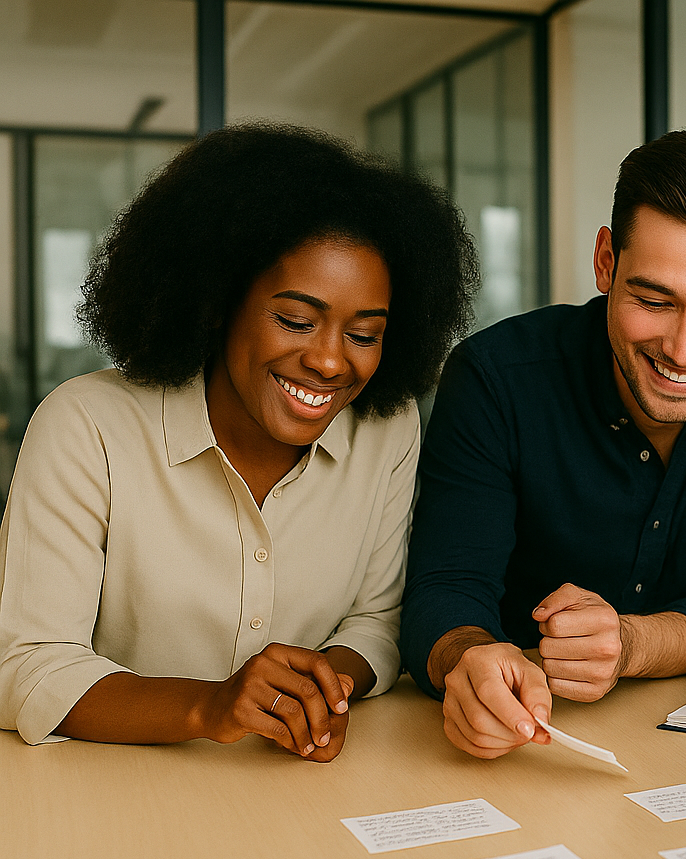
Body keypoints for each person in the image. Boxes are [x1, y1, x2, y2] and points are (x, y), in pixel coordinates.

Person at [0, 123, 477, 759]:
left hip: (295, 798)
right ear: (219, 300)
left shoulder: (385, 430)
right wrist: (212, 705)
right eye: (296, 321)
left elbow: (376, 622)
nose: (332, 363)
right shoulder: (86, 427)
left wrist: (314, 693)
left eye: (364, 334)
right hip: (111, 803)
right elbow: (28, 668)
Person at [401, 128, 686, 759]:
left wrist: (631, 644)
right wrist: (468, 658)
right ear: (606, 262)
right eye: (654, 300)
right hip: (528, 738)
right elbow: (444, 588)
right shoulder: (493, 377)